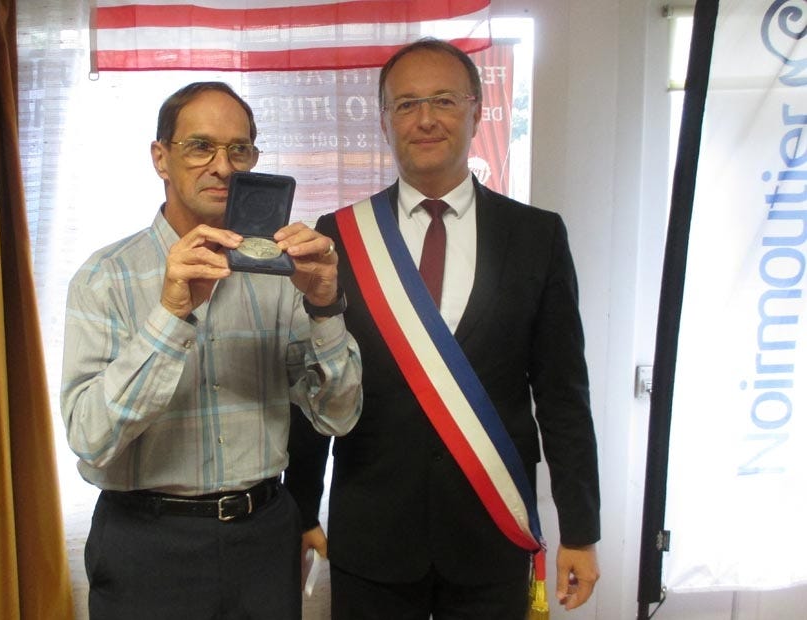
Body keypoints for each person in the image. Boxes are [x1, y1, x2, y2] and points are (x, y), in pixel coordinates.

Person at [284, 38, 601, 619]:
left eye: (443, 101)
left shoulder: (537, 237)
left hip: (491, 533)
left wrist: (580, 530)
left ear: (477, 111)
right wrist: (301, 509)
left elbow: (562, 397)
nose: (425, 118)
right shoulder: (339, 236)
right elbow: (317, 383)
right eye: (405, 105)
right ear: (384, 121)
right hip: (372, 538)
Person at [60, 81, 363, 620]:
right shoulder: (105, 278)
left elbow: (338, 414)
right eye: (201, 146)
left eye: (240, 149)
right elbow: (90, 439)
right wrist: (171, 315)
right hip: (146, 546)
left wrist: (324, 307)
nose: (223, 167)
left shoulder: (282, 276)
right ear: (160, 157)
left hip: (264, 537)